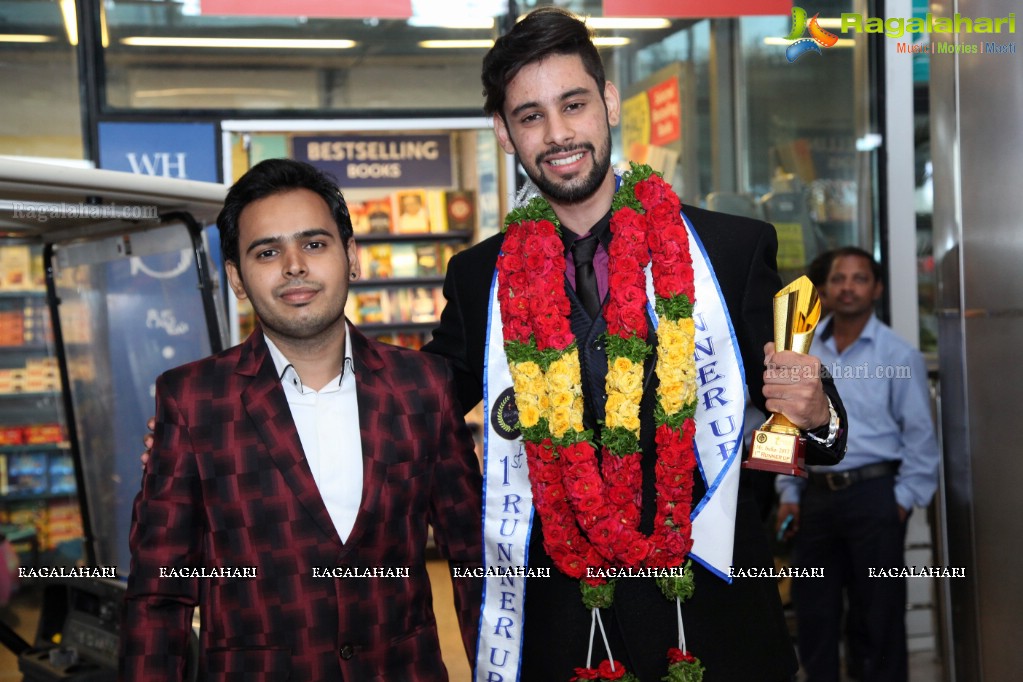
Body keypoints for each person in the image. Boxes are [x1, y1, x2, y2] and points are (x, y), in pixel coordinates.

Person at [421, 8, 848, 681]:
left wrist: (813, 419)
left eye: (573, 104)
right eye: (530, 116)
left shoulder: (730, 251)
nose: (558, 133)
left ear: (609, 103)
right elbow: (419, 404)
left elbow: (786, 434)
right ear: (504, 134)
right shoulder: (480, 278)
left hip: (714, 611)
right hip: (567, 626)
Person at [120, 159, 483, 681]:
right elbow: (160, 593)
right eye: (267, 252)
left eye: (314, 244)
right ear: (237, 280)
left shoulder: (422, 386)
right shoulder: (193, 401)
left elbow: (475, 563)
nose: (294, 265)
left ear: (351, 257)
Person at [775, 246, 939, 682]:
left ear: (877, 288)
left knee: (878, 620)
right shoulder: (803, 353)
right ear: (825, 291)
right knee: (815, 619)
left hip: (875, 499)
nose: (848, 287)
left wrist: (900, 503)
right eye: (838, 279)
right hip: (816, 502)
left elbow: (921, 439)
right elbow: (787, 425)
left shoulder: (899, 355)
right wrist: (790, 493)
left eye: (860, 278)